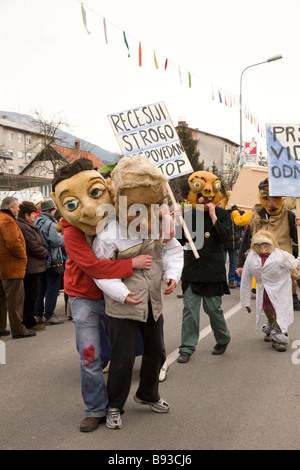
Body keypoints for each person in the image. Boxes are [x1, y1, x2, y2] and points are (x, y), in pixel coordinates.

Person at [50, 158, 154, 433]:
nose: (90, 209)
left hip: (118, 292)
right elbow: (94, 266)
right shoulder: (71, 231)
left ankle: (122, 399)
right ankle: (95, 408)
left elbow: (149, 225)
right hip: (85, 295)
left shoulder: (121, 214)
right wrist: (132, 264)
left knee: (127, 347)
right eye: (71, 204)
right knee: (89, 354)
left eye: (96, 193)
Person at [92, 155, 183, 430]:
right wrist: (122, 294)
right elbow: (100, 270)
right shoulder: (109, 233)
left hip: (152, 302)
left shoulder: (157, 224)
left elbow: (172, 250)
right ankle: (115, 406)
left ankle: (148, 393)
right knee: (122, 358)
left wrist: (172, 275)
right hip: (124, 304)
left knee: (157, 351)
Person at [175, 170, 231, 364]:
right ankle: (187, 347)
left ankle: (223, 338)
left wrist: (214, 215)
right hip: (192, 270)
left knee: (213, 309)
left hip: (212, 270)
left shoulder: (224, 214)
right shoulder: (189, 215)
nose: (205, 198)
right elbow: (180, 240)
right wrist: (178, 220)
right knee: (190, 310)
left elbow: (225, 239)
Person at [236, 178, 300, 311]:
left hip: (281, 268)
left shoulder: (289, 216)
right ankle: (273, 324)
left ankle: (280, 329)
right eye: (266, 198)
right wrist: (241, 264)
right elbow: (248, 240)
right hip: (262, 269)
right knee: (266, 302)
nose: (271, 204)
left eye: (276, 198)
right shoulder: (255, 217)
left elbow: (298, 240)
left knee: (281, 304)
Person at [240, 230, 299, 351]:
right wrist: (245, 300)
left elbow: (294, 264)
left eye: (265, 244)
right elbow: (246, 276)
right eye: (257, 245)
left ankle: (279, 335)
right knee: (266, 307)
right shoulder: (251, 257)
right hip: (263, 288)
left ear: (272, 243)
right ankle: (271, 323)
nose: (261, 248)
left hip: (280, 288)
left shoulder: (281, 255)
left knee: (279, 309)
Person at [0, 197, 35, 339]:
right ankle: (18, 329)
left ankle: (1, 328)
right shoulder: (7, 220)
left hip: (3, 267)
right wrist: (23, 257)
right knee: (15, 300)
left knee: (1, 299)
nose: (18, 209)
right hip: (11, 266)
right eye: (17, 206)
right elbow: (13, 243)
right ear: (10, 208)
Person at [17, 201, 49, 331]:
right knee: (30, 295)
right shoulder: (24, 227)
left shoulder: (25, 225)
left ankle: (29, 320)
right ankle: (29, 322)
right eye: (33, 214)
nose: (35, 216)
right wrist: (46, 252)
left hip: (33, 265)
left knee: (32, 294)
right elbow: (33, 246)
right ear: (26, 214)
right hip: (30, 266)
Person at [34, 199, 65, 325]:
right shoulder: (51, 224)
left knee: (40, 288)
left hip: (39, 260)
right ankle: (49, 315)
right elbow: (57, 241)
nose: (54, 212)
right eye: (53, 210)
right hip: (52, 260)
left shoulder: (36, 221)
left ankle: (38, 314)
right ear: (49, 211)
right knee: (52, 288)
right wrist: (64, 237)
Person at [222, 208, 243, 288]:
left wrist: (239, 236)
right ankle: (223, 281)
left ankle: (231, 281)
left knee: (233, 263)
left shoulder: (237, 212)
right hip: (224, 242)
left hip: (234, 242)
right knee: (222, 262)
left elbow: (240, 225)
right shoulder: (223, 213)